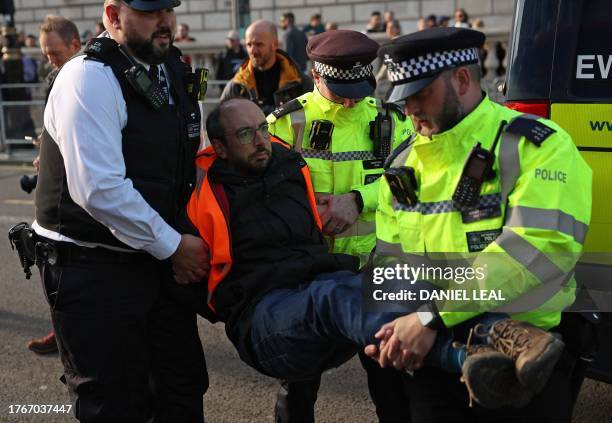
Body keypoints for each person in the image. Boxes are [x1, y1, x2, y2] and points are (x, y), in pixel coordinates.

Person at [184, 97, 569, 414]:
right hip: (262, 316)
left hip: (319, 283)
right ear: (219, 146)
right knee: (332, 300)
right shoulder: (203, 189)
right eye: (246, 134)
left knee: (384, 285)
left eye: (263, 129)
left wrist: (352, 202)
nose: (261, 140)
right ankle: (469, 359)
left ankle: (499, 337)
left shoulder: (288, 166)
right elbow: (173, 254)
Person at [367, 27, 592, 421]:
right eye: (403, 98)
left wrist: (432, 315)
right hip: (432, 356)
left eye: (421, 93)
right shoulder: (402, 165)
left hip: (522, 360)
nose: (410, 109)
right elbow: (391, 265)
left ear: (462, 79)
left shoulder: (538, 146)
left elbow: (538, 250)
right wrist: (392, 330)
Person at [33, 0, 209, 421]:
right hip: (94, 272)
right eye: (150, 11)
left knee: (181, 391)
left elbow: (189, 159)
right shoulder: (88, 77)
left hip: (157, 265)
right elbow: (100, 189)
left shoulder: (171, 69)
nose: (164, 20)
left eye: (169, 8)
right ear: (113, 16)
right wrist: (174, 246)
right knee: (114, 404)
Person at [267, 29, 414, 422]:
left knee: (393, 387)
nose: (351, 100)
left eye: (358, 88)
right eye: (339, 90)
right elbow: (261, 194)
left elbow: (414, 182)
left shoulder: (393, 121)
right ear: (316, 75)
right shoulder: (285, 124)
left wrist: (359, 200)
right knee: (297, 386)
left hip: (375, 272)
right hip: (309, 277)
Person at [26, 15, 82, 356]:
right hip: (56, 185)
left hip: (78, 192)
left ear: (75, 46)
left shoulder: (92, 80)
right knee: (53, 264)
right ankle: (60, 329)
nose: (51, 60)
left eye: (55, 53)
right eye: (46, 54)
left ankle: (71, 334)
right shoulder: (54, 78)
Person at [220, 20, 312, 115]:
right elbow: (221, 122)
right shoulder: (237, 85)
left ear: (275, 45)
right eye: (249, 45)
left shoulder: (300, 83)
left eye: (259, 44)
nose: (253, 51)